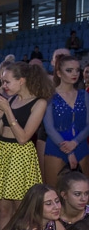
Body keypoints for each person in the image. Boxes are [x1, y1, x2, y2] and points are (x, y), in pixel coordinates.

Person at [0, 61, 54, 230]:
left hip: (20, 157)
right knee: (3, 210)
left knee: (21, 211)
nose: (4, 86)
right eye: (3, 82)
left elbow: (23, 138)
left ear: (21, 80)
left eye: (7, 82)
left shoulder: (39, 103)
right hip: (2, 153)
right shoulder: (11, 100)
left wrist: (8, 111)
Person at [43, 54, 89, 187]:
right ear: (59, 73)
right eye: (69, 70)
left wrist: (75, 142)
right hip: (56, 146)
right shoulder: (50, 95)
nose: (75, 74)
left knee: (84, 193)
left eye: (77, 70)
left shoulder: (84, 95)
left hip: (81, 145)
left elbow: (88, 124)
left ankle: (86, 208)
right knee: (54, 191)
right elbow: (49, 128)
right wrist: (69, 151)